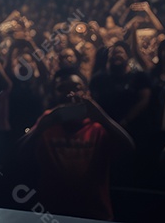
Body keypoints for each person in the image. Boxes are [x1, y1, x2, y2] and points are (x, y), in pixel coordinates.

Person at [18, 69, 134, 221]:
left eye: (76, 87)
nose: (70, 93)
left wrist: (102, 117)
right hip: (52, 213)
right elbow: (17, 154)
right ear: (53, 94)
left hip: (94, 214)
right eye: (61, 88)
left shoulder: (97, 126)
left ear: (87, 92)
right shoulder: (47, 122)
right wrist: (40, 129)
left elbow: (129, 149)